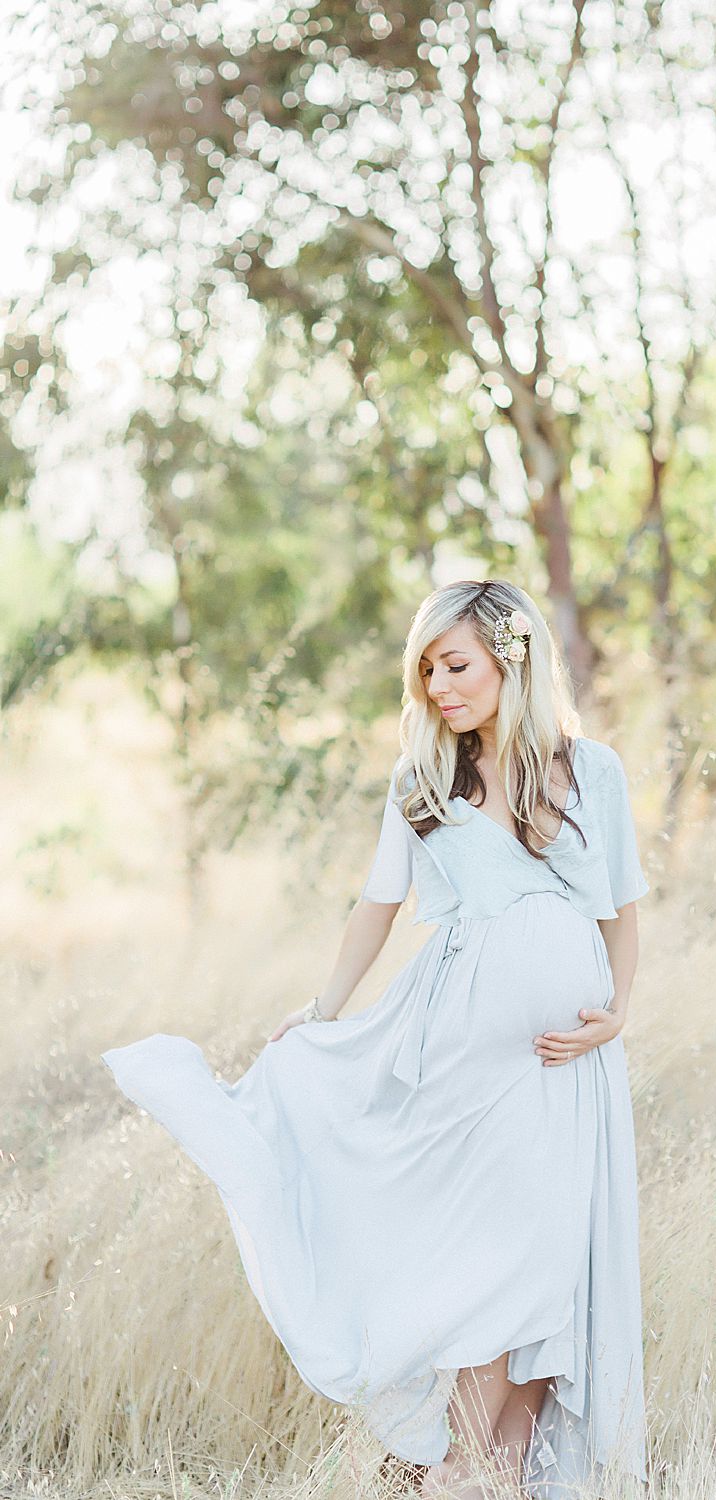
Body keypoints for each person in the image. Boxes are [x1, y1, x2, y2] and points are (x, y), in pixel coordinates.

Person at [101, 579, 652, 1500]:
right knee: (500, 1265)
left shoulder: (590, 771)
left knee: (554, 1270)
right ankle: (459, 1469)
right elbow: (378, 903)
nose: (438, 684)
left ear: (511, 662)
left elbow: (624, 904)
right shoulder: (426, 782)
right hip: (470, 1059)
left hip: (569, 1064)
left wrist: (619, 1009)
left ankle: (486, 1475)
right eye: (427, 668)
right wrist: (322, 1012)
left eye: (456, 663)